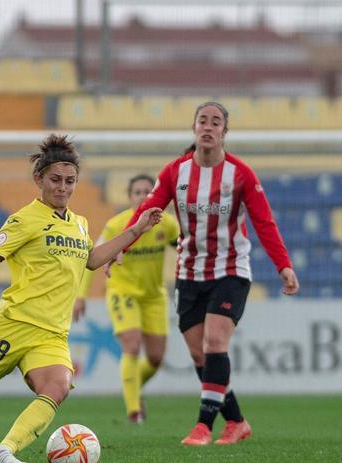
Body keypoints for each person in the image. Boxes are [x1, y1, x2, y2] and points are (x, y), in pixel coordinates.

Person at [0, 134, 163, 463]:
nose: (63, 187)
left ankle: (3, 453)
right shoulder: (22, 220)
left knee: (56, 388)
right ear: (38, 179)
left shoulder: (80, 224)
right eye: (55, 180)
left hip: (52, 333)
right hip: (12, 325)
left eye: (70, 181)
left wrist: (135, 230)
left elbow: (92, 260)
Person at [126, 101, 299, 446]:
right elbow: (148, 210)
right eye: (202, 121)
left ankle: (203, 426)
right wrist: (121, 247)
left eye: (215, 122)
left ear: (224, 132)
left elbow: (264, 222)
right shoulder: (176, 172)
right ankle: (236, 421)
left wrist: (284, 265)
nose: (208, 126)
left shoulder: (241, 174)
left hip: (231, 269)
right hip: (190, 271)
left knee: (215, 342)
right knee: (200, 355)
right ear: (194, 129)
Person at [72, 173, 180, 424]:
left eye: (147, 192)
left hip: (154, 296)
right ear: (130, 197)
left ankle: (132, 386)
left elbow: (186, 250)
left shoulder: (168, 224)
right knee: (131, 345)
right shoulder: (116, 225)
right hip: (123, 292)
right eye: (138, 192)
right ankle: (134, 411)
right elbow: (93, 259)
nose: (143, 196)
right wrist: (81, 296)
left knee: (155, 358)